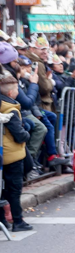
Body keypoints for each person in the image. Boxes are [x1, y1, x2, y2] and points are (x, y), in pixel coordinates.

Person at [0, 73, 32, 231]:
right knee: (14, 190)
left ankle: (3, 221)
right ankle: (18, 221)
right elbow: (20, 136)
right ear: (10, 93)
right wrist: (27, 132)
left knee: (1, 189)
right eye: (17, 89)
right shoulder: (11, 110)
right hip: (12, 156)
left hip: (3, 154)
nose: (19, 92)